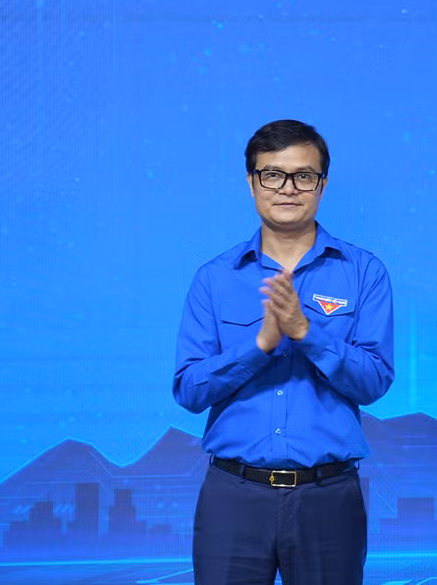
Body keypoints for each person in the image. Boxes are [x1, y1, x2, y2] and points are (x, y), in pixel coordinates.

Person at [173, 119, 395, 585]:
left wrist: (305, 332)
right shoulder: (214, 277)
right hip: (233, 495)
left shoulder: (364, 272)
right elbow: (189, 390)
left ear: (322, 185)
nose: (288, 188)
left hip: (328, 495)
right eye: (273, 174)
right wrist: (260, 346)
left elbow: (374, 381)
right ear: (252, 182)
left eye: (303, 176)